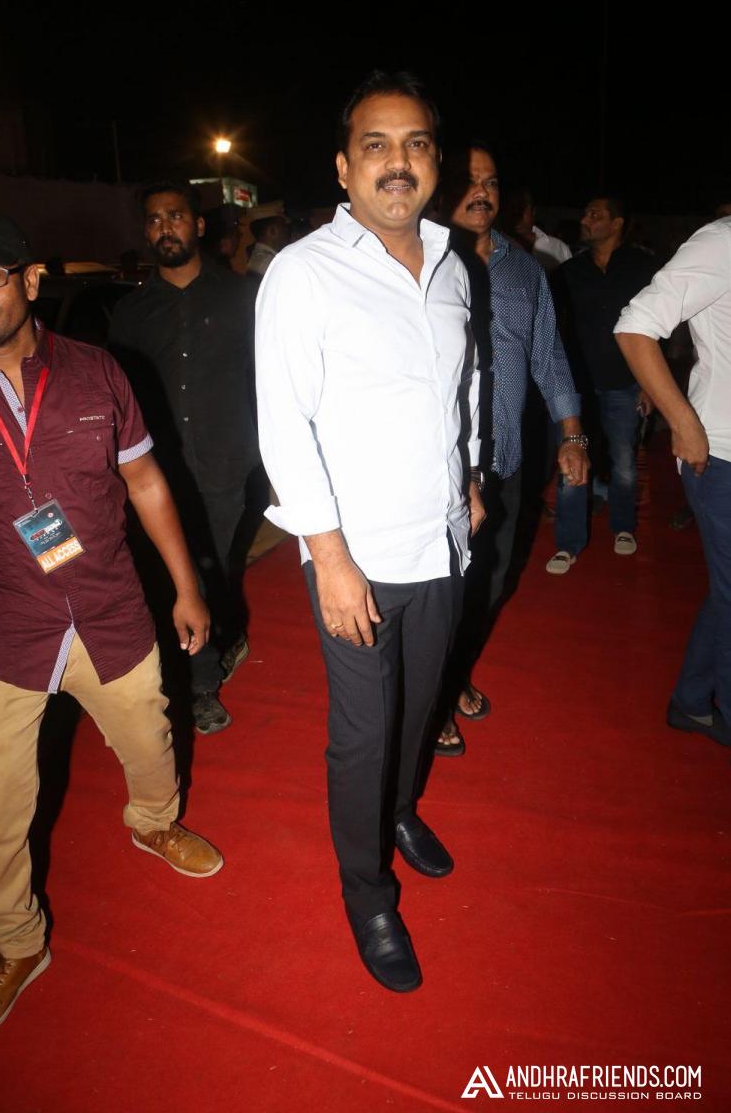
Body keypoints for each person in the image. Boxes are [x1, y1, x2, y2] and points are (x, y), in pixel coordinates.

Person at [0, 209, 223, 1046]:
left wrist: (186, 587)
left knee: (149, 738)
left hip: (108, 608)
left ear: (30, 281)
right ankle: (15, 945)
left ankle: (153, 821)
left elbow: (146, 482)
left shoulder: (98, 372)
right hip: (0, 628)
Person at [256, 71, 483, 992]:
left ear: (436, 162)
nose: (398, 162)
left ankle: (396, 811)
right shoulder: (303, 272)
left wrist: (470, 474)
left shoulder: (453, 264)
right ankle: (367, 892)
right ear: (344, 168)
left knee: (420, 706)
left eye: (415, 143)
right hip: (355, 555)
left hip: (441, 540)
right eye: (376, 146)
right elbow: (284, 423)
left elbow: (464, 385)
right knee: (362, 732)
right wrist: (329, 557)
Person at [434, 147, 587, 754]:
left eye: (491, 182)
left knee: (492, 579)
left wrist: (573, 434)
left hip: (507, 457)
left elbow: (548, 355)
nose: (482, 193)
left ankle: (452, 674)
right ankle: (435, 695)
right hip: (441, 463)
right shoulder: (421, 258)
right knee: (442, 586)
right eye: (469, 182)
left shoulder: (526, 269)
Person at [110, 183, 259, 734]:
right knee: (175, 575)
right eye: (153, 219)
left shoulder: (243, 297)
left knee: (208, 568)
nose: (163, 227)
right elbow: (118, 399)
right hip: (157, 474)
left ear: (198, 226)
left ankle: (202, 680)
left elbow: (269, 378)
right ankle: (200, 671)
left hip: (226, 465)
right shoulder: (130, 312)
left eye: (175, 216)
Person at [615, 216, 731, 749]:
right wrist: (683, 423)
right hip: (721, 456)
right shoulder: (723, 242)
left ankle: (691, 700)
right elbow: (635, 326)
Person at [547, 196, 656, 574]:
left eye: (595, 214)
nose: (585, 219)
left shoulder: (643, 267)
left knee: (624, 462)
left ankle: (623, 526)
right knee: (572, 463)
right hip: (575, 386)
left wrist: (650, 383)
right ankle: (568, 544)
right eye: (585, 212)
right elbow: (550, 329)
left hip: (625, 383)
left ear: (617, 223)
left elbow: (657, 329)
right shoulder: (569, 271)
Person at [500, 186, 572, 273]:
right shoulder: (493, 247)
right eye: (511, 209)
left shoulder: (558, 247)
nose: (517, 215)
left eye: (522, 208)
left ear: (533, 211)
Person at [246, 213, 290, 280]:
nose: (287, 231)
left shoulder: (259, 258)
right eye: (284, 227)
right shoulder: (271, 263)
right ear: (272, 231)